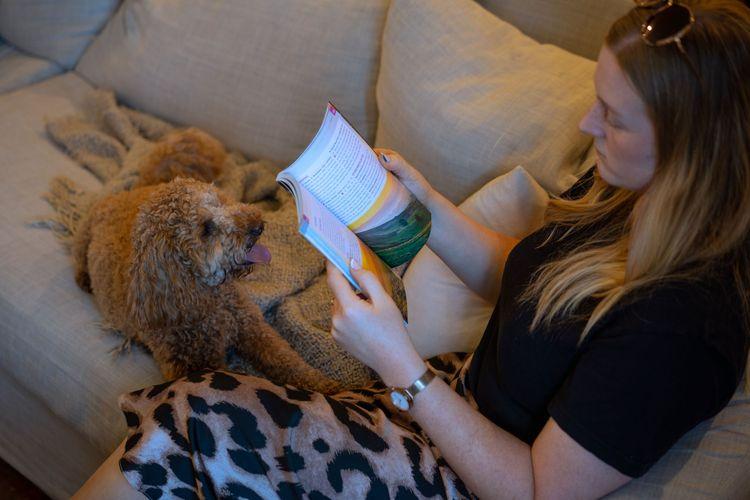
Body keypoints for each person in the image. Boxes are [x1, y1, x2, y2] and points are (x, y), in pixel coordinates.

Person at [74, 1, 750, 498]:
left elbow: (539, 491)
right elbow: (527, 288)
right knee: (191, 415)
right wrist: (420, 204)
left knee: (191, 418)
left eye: (614, 116)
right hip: (447, 401)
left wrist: (398, 360)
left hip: (462, 477)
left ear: (698, 151)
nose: (585, 123)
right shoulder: (622, 189)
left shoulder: (683, 330)